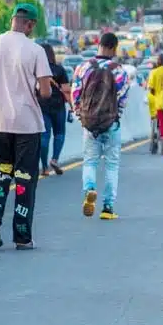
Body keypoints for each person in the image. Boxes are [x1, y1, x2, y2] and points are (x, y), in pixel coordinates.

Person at [0, 3, 52, 250]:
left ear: (13, 19)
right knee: (24, 179)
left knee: (1, 173)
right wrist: (37, 88)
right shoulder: (36, 50)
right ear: (30, 24)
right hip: (28, 126)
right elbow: (45, 92)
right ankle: (22, 236)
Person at [73, 32, 130, 220]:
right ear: (114, 48)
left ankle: (89, 189)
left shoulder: (83, 68)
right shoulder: (119, 71)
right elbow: (122, 98)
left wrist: (82, 116)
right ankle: (107, 208)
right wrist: (115, 116)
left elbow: (75, 94)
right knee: (112, 165)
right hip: (110, 123)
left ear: (99, 45)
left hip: (90, 124)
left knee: (90, 161)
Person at [38, 43, 70, 177]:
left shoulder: (37, 70)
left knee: (44, 136)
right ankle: (55, 159)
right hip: (58, 106)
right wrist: (72, 106)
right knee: (60, 134)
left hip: (42, 106)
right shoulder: (59, 69)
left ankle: (44, 167)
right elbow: (66, 90)